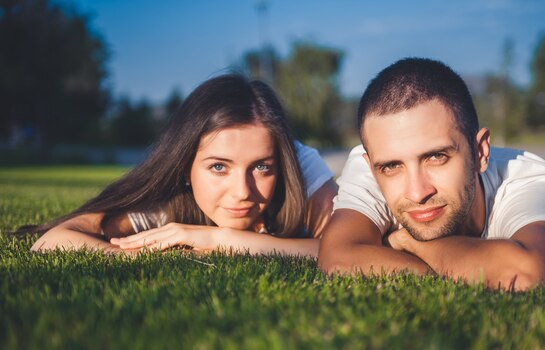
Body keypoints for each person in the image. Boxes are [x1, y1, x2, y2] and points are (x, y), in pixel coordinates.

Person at [318, 58, 545, 291]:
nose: (417, 192)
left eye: (436, 157)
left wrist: (409, 243)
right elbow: (338, 258)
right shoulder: (375, 158)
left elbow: (531, 274)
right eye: (391, 167)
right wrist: (471, 268)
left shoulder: (533, 181)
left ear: (480, 152)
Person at [29, 74, 337, 257]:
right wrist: (123, 259)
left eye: (261, 167)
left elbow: (339, 250)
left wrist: (220, 239)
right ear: (185, 167)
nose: (243, 191)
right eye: (219, 167)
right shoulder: (167, 207)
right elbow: (52, 240)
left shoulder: (301, 165)